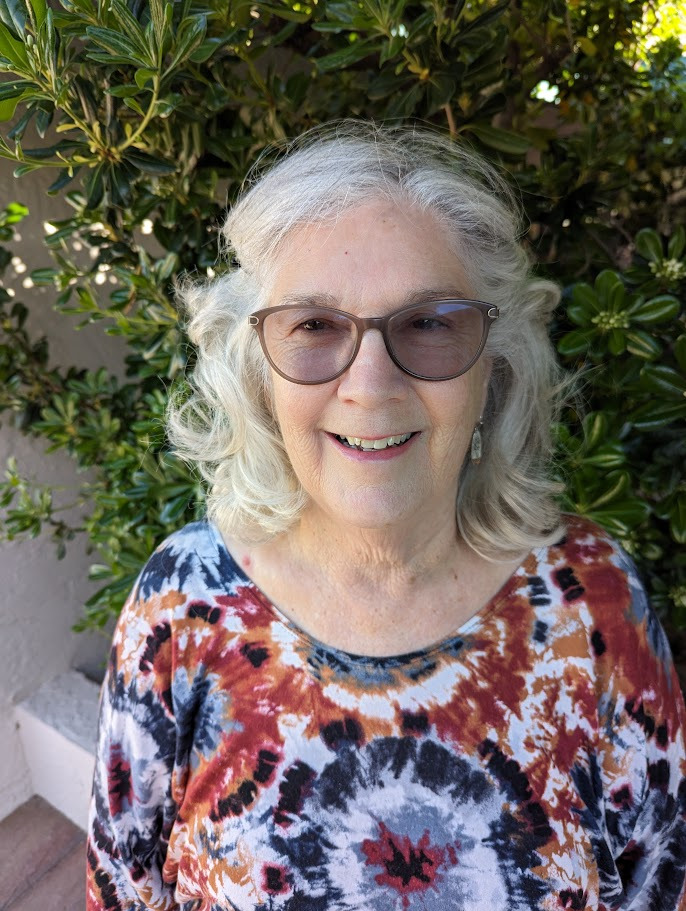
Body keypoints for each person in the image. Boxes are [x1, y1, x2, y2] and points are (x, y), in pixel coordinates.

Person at [86, 123, 686, 911]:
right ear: (258, 372)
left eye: (428, 323)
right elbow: (122, 889)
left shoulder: (595, 598)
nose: (370, 385)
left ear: (492, 366)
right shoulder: (182, 605)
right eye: (314, 325)